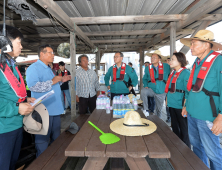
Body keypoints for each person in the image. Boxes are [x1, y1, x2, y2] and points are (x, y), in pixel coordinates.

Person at [181, 30, 222, 170]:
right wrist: (186, 105)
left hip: (207, 116)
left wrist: (221, 117)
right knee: (197, 148)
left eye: (193, 44)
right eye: (191, 44)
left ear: (206, 45)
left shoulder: (218, 61)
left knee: (213, 153)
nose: (191, 47)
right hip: (192, 114)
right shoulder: (196, 63)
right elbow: (191, 87)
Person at [0, 25, 35, 170]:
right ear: (5, 44)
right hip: (3, 129)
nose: (21, 46)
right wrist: (16, 107)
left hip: (15, 125)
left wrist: (23, 100)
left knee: (12, 164)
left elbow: (8, 92)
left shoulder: (10, 65)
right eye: (18, 42)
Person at [26, 44, 71, 157]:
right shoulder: (34, 68)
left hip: (55, 109)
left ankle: (54, 162)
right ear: (42, 54)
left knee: (56, 139)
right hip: (43, 111)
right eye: (50, 52)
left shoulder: (48, 68)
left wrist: (61, 80)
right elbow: (33, 86)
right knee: (43, 141)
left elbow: (52, 85)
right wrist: (53, 81)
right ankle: (42, 164)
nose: (53, 55)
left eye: (53, 53)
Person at [165, 52, 190, 147]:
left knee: (184, 128)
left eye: (173, 59)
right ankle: (177, 146)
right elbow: (170, 88)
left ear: (180, 61)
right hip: (172, 103)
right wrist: (167, 99)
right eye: (170, 59)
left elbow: (188, 91)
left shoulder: (186, 73)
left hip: (180, 105)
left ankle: (186, 149)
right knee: (175, 126)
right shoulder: (173, 72)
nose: (170, 61)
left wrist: (185, 106)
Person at [141, 50, 170, 117]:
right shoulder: (147, 68)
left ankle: (158, 120)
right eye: (151, 57)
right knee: (143, 91)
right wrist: (145, 85)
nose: (152, 59)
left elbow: (175, 66)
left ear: (159, 59)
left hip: (161, 91)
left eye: (154, 57)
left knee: (159, 110)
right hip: (151, 89)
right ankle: (145, 109)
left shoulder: (166, 66)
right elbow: (144, 78)